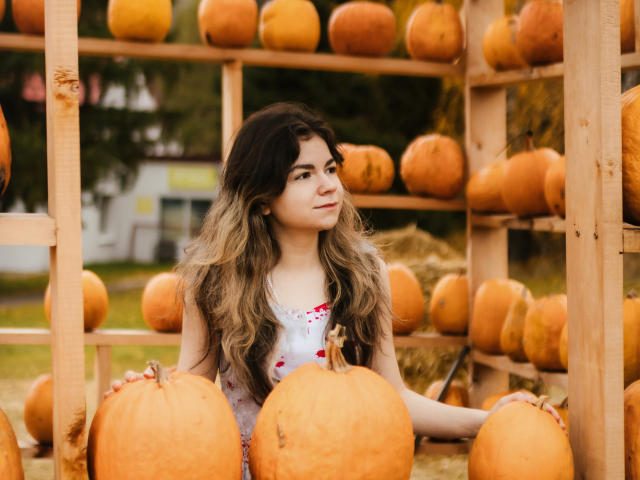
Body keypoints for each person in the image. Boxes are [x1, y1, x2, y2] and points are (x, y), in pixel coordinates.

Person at [109, 102, 563, 479]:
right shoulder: (214, 282)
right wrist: (148, 392)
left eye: (329, 168)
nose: (328, 186)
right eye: (303, 175)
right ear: (262, 197)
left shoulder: (365, 274)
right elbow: (190, 394)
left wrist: (491, 419)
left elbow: (393, 395)